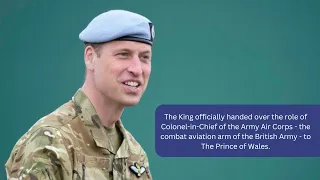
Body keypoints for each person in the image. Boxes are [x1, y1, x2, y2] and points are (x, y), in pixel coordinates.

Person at [5, 9, 155, 180]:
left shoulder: (134, 154)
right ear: (90, 57)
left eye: (144, 57)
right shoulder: (52, 142)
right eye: (123, 54)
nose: (136, 69)